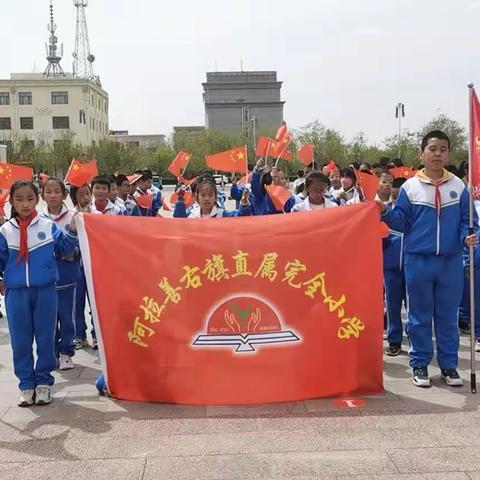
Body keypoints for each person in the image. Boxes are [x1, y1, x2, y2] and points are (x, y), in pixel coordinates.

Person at [379, 130, 478, 388]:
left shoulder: (459, 187)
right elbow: (401, 222)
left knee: (446, 316)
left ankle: (449, 366)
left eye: (443, 149)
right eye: (432, 149)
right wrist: (385, 212)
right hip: (418, 260)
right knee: (419, 316)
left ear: (449, 153)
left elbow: (469, 224)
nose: (437, 154)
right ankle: (420, 364)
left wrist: (467, 237)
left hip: (450, 262)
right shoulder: (410, 187)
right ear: (422, 153)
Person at [0, 180, 78, 406]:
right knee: (20, 341)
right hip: (16, 294)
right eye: (19, 199)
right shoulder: (5, 231)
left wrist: (72, 230)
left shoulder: (47, 225)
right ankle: (26, 384)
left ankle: (43, 382)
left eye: (30, 199)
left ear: (37, 199)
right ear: (11, 201)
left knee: (45, 338)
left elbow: (65, 250)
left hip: (45, 291)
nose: (25, 204)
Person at [40, 178, 80, 370]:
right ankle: (53, 352)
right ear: (43, 195)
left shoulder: (74, 216)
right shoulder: (39, 219)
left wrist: (76, 251)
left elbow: (85, 242)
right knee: (49, 318)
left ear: (64, 195)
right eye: (49, 192)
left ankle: (66, 352)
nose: (53, 195)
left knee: (66, 316)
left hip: (68, 276)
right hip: (47, 278)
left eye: (57, 191)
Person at [69, 184, 97, 349]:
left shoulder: (98, 215)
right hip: (76, 266)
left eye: (87, 193)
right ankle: (79, 334)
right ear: (74, 198)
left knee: (95, 302)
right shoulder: (71, 216)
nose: (85, 197)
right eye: (81, 194)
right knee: (77, 302)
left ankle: (96, 334)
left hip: (95, 266)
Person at [383, 177, 407, 357]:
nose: (396, 201)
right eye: (394, 197)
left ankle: (415, 338)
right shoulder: (385, 213)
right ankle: (394, 340)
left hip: (412, 265)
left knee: (413, 306)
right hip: (390, 266)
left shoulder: (412, 215)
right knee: (392, 305)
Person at [174, 177, 251, 218]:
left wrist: (244, 203)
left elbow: (240, 217)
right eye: (203, 195)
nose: (207, 198)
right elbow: (179, 222)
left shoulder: (222, 215)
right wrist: (180, 200)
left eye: (210, 195)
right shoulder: (192, 216)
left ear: (216, 198)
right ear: (197, 198)